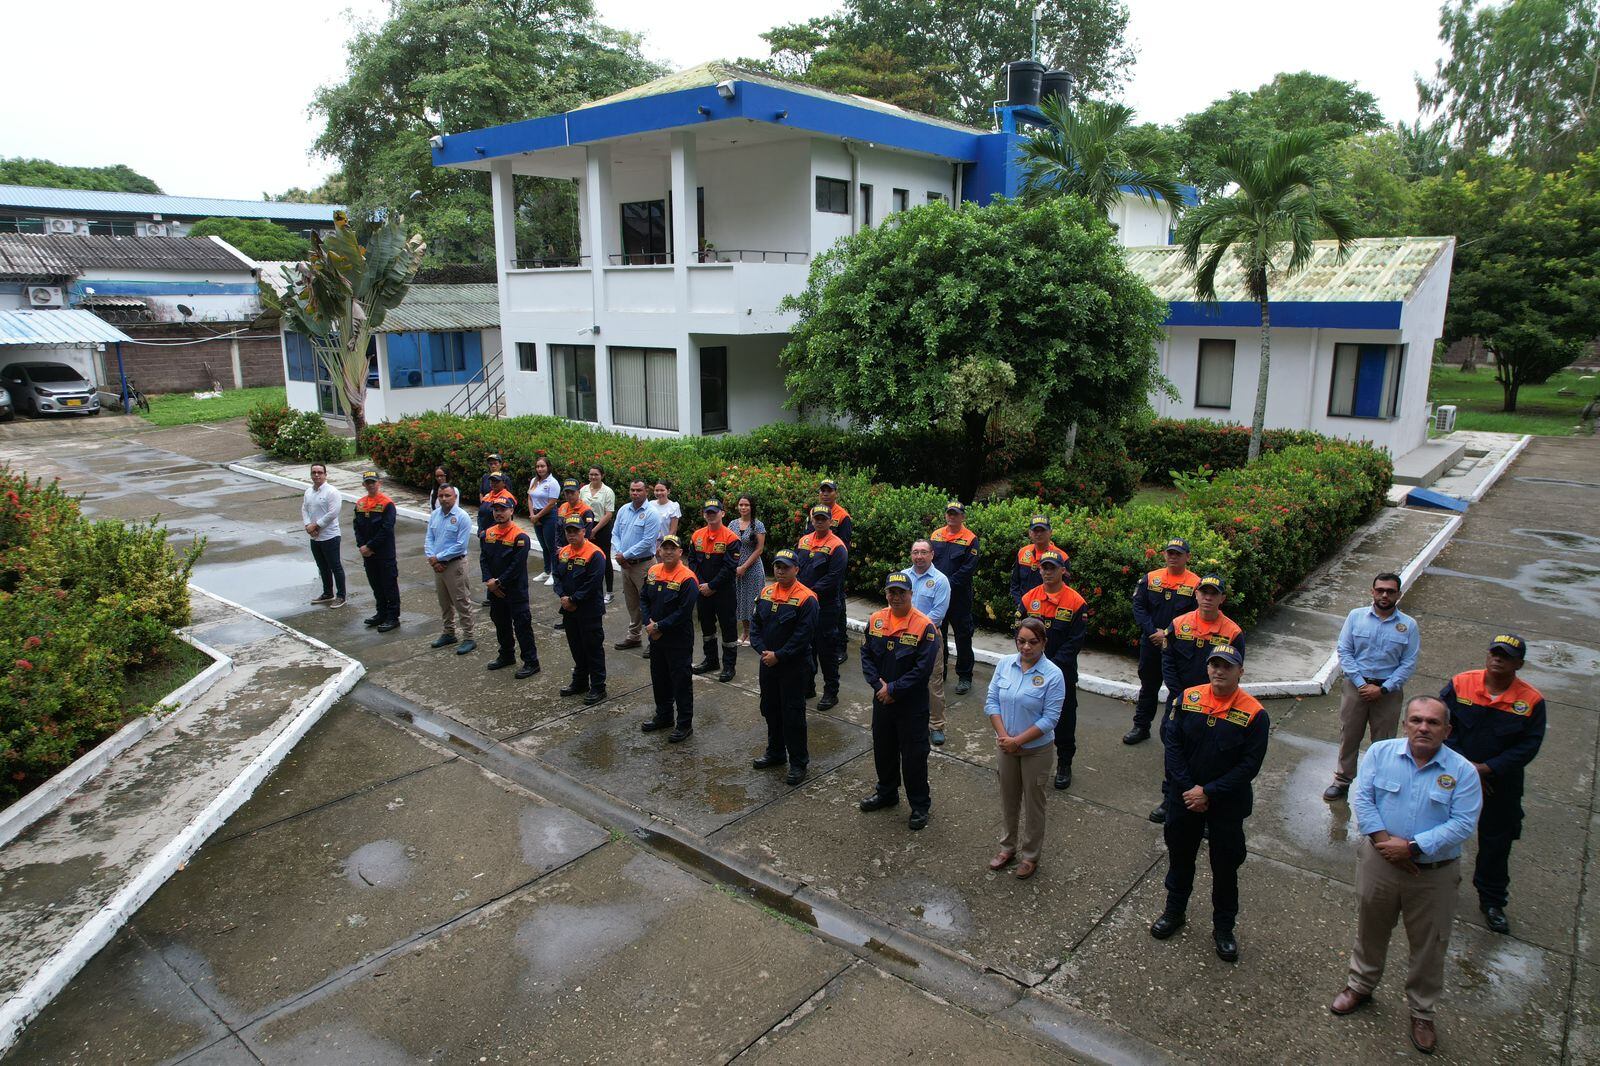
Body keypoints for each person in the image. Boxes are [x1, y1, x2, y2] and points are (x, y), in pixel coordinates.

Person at [1332, 695, 1482, 1056]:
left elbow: (1462, 824)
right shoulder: (1381, 754)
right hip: (1380, 863)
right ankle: (1360, 986)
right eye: (1416, 720)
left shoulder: (1462, 772)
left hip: (1433, 874)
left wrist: (1412, 848)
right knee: (1370, 928)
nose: (1423, 728)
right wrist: (1389, 847)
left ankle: (1422, 1012)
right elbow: (1363, 800)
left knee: (1430, 945)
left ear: (1447, 730)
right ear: (1405, 725)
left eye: (1433, 722)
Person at [1150, 643, 1268, 964]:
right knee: (1180, 856)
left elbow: (1249, 766)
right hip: (1184, 799)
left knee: (1225, 866)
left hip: (1226, 805)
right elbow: (1172, 745)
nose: (1219, 671)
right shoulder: (1187, 699)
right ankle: (1174, 912)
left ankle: (1224, 928)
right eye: (1214, 664)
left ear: (1240, 671)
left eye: (1227, 666)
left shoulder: (1255, 714)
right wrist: (1189, 789)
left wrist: (1209, 792)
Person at [1440, 634, 1547, 936]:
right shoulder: (1462, 683)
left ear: (1519, 664)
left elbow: (1528, 746)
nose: (1498, 658)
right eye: (1494, 652)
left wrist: (1487, 770)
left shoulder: (1530, 701)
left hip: (1500, 782)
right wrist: (1466, 770)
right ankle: (1441, 882)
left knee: (1496, 841)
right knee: (1440, 829)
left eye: (1506, 655)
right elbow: (1442, 725)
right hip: (1455, 775)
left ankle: (1492, 901)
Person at [1150, 574, 1244, 823]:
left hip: (1215, 706)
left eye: (1214, 593)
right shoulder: (1179, 624)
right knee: (1174, 749)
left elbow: (1234, 672)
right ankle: (1171, 798)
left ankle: (1205, 805)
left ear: (1222, 598)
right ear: (1196, 594)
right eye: (1204, 592)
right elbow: (1167, 660)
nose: (1208, 597)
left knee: (1209, 755)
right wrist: (1181, 694)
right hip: (1181, 700)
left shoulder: (1232, 633)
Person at [1325, 573, 1421, 801]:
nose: (1384, 595)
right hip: (1355, 687)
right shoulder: (1356, 617)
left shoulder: (1408, 625)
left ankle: (1378, 786)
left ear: (1398, 594)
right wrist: (1360, 684)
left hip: (1388, 692)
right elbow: (1345, 651)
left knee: (1384, 741)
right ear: (1372, 591)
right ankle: (1342, 781)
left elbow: (1409, 662)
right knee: (1349, 735)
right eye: (1380, 590)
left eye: (1390, 591)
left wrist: (1384, 688)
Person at [858, 573, 941, 831]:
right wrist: (878, 687)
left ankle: (919, 805)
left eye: (901, 592)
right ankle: (887, 793)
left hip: (911, 705)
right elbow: (866, 656)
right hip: (882, 701)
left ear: (910, 594)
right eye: (891, 592)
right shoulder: (876, 620)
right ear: (886, 594)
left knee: (914, 756)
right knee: (883, 749)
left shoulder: (924, 627)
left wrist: (893, 689)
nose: (896, 597)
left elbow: (921, 670)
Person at [986, 617, 1066, 880]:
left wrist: (1017, 741)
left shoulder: (1053, 675)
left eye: (1033, 642)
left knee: (1034, 804)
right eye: (1021, 641)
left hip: (1036, 751)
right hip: (1005, 746)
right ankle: (1007, 848)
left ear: (1044, 642)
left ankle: (1030, 855)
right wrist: (1003, 736)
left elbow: (1050, 719)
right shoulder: (1005, 664)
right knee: (1008, 800)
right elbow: (992, 701)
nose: (1026, 647)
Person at [1017, 551, 1086, 790]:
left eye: (1052, 568)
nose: (1047, 572)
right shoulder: (1028, 599)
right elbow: (1020, 635)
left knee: (1064, 719)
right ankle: (1025, 755)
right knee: (1029, 713)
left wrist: (1051, 667)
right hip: (1029, 670)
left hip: (1062, 672)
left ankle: (1064, 763)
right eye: (1044, 567)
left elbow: (1075, 641)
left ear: (1063, 571)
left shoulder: (1076, 602)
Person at [751, 549, 819, 785]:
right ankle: (776, 752)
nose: (780, 571)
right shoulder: (766, 592)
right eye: (778, 566)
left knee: (793, 715)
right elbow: (755, 627)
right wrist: (763, 651)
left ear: (796, 570)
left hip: (793, 666)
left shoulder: (806, 598)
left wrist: (779, 655)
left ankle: (799, 763)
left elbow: (803, 636)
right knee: (770, 708)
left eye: (786, 567)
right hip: (768, 663)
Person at [1124, 538, 1201, 745]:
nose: (1173, 557)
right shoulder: (1151, 578)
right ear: (1165, 555)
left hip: (1179, 646)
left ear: (1187, 557)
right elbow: (1139, 607)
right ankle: (1141, 727)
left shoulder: (1195, 584)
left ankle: (1174, 732)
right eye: (1170, 553)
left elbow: (1196, 616)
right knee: (1148, 685)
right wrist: (1153, 632)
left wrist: (1166, 633)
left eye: (1178, 553)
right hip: (1151, 642)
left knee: (1177, 689)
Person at [639, 534, 699, 742]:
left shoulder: (687, 578)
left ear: (680, 552)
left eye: (673, 548)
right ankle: (663, 716)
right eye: (665, 548)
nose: (668, 551)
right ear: (659, 551)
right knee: (660, 678)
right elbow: (644, 598)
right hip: (656, 637)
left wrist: (659, 626)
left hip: (678, 639)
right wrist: (649, 624)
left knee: (680, 681)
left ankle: (684, 724)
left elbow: (684, 612)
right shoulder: (654, 571)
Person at [480, 497, 540, 678]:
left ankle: (531, 662)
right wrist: (489, 581)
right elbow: (484, 559)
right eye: (496, 509)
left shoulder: (520, 537)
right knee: (500, 623)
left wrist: (498, 583)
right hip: (494, 590)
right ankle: (506, 655)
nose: (499, 513)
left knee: (522, 626)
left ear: (511, 511)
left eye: (503, 509)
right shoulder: (487, 534)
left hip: (515, 591)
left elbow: (516, 566)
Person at [796, 505, 847, 709]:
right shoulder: (804, 540)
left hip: (825, 606)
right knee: (806, 646)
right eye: (816, 518)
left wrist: (809, 593)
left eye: (823, 518)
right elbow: (796, 568)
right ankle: (808, 686)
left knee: (826, 650)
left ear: (830, 521)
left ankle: (830, 692)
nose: (819, 521)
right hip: (805, 605)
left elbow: (834, 578)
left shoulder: (837, 546)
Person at [901, 540, 950, 744]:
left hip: (929, 639)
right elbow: (894, 604)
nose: (919, 556)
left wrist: (915, 628)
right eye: (915, 552)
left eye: (923, 552)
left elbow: (937, 614)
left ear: (932, 555)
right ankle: (905, 719)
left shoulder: (941, 580)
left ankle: (936, 725)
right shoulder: (903, 577)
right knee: (903, 678)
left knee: (933, 683)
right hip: (902, 637)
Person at [554, 515, 607, 704]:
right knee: (576, 647)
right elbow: (557, 577)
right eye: (568, 531)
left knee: (593, 648)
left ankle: (599, 687)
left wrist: (574, 599)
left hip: (589, 610)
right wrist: (563, 597)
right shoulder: (563, 553)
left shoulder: (595, 554)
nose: (571, 535)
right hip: (569, 609)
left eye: (575, 531)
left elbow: (593, 582)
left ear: (583, 531)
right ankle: (580, 681)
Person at [689, 499, 743, 682]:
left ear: (723, 513)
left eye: (714, 511)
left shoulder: (731, 538)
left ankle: (729, 666)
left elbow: (729, 567)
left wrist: (712, 586)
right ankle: (711, 660)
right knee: (706, 626)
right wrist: (702, 584)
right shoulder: (696, 535)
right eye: (708, 512)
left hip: (724, 592)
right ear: (704, 514)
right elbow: (692, 562)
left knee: (728, 628)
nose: (711, 515)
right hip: (703, 590)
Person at [930, 502, 979, 695]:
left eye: (956, 514)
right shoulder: (936, 535)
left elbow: (968, 569)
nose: (952, 517)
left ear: (962, 517)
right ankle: (940, 673)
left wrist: (945, 584)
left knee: (963, 637)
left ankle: (965, 676)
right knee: (937, 635)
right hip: (938, 597)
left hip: (959, 598)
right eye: (949, 513)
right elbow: (928, 559)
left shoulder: (970, 539)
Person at [611, 480, 664, 652]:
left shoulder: (652, 513)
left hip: (643, 565)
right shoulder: (623, 509)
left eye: (639, 490)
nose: (635, 493)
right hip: (625, 565)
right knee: (632, 602)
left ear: (646, 492)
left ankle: (653, 640)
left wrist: (624, 555)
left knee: (649, 603)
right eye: (632, 490)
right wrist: (620, 554)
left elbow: (648, 541)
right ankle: (634, 636)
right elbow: (615, 533)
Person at [424, 484, 476, 655]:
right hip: (438, 566)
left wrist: (439, 558)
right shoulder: (434, 515)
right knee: (444, 602)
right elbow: (429, 539)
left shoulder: (462, 517)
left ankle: (469, 637)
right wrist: (433, 559)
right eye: (441, 496)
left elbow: (461, 545)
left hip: (454, 565)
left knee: (461, 601)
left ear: (455, 497)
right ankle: (449, 633)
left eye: (447, 495)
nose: (444, 499)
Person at [353, 471, 401, 632]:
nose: (371, 485)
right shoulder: (360, 504)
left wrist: (370, 546)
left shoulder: (387, 504)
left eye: (373, 482)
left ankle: (393, 617)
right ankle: (381, 613)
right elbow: (356, 527)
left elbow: (386, 529)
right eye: (368, 482)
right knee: (376, 585)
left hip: (384, 553)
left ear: (379, 483)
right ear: (363, 485)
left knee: (389, 585)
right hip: (368, 553)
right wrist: (362, 546)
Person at [302, 462, 346, 608]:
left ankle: (341, 596)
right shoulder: (308, 492)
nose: (316, 475)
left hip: (330, 536)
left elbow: (333, 513)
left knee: (335, 566)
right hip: (315, 537)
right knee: (322, 566)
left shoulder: (332, 492)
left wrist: (316, 525)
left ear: (325, 475)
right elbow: (304, 509)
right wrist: (308, 525)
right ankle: (328, 593)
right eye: (314, 472)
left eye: (320, 472)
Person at [818, 479, 853, 661]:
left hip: (833, 570)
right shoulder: (814, 512)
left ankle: (841, 647)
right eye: (822, 490)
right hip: (815, 569)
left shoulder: (843, 516)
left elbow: (844, 546)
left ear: (835, 493)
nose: (825, 494)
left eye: (829, 491)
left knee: (838, 608)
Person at [1010, 515, 1066, 615]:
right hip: (1024, 610)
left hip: (1048, 613)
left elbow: (1063, 590)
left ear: (1050, 532)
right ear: (1030, 533)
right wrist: (1021, 604)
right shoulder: (1023, 552)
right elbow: (1014, 584)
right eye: (1036, 530)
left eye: (1043, 530)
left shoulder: (1062, 557)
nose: (1039, 534)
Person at [732, 494, 767, 646]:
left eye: (746, 505)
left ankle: (755, 632)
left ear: (752, 507)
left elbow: (759, 549)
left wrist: (744, 566)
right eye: (741, 505)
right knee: (741, 601)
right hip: (736, 569)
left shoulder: (758, 525)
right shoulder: (732, 524)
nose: (743, 507)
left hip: (752, 569)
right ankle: (745, 631)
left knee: (753, 602)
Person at [580, 465, 617, 603]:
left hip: (602, 527)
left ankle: (609, 591)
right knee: (587, 558)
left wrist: (594, 530)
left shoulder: (608, 491)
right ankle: (591, 589)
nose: (593, 477)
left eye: (596, 474)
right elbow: (580, 508)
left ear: (602, 475)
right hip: (585, 526)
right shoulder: (583, 490)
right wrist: (585, 529)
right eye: (591, 474)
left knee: (604, 559)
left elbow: (609, 513)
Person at [527, 456, 561, 583]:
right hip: (535, 515)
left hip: (548, 516)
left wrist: (538, 516)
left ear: (548, 467)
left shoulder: (553, 483)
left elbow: (552, 503)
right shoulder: (534, 481)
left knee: (551, 545)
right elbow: (530, 498)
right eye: (538, 466)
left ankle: (554, 572)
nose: (540, 469)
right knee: (543, 545)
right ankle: (547, 571)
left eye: (542, 466)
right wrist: (532, 514)